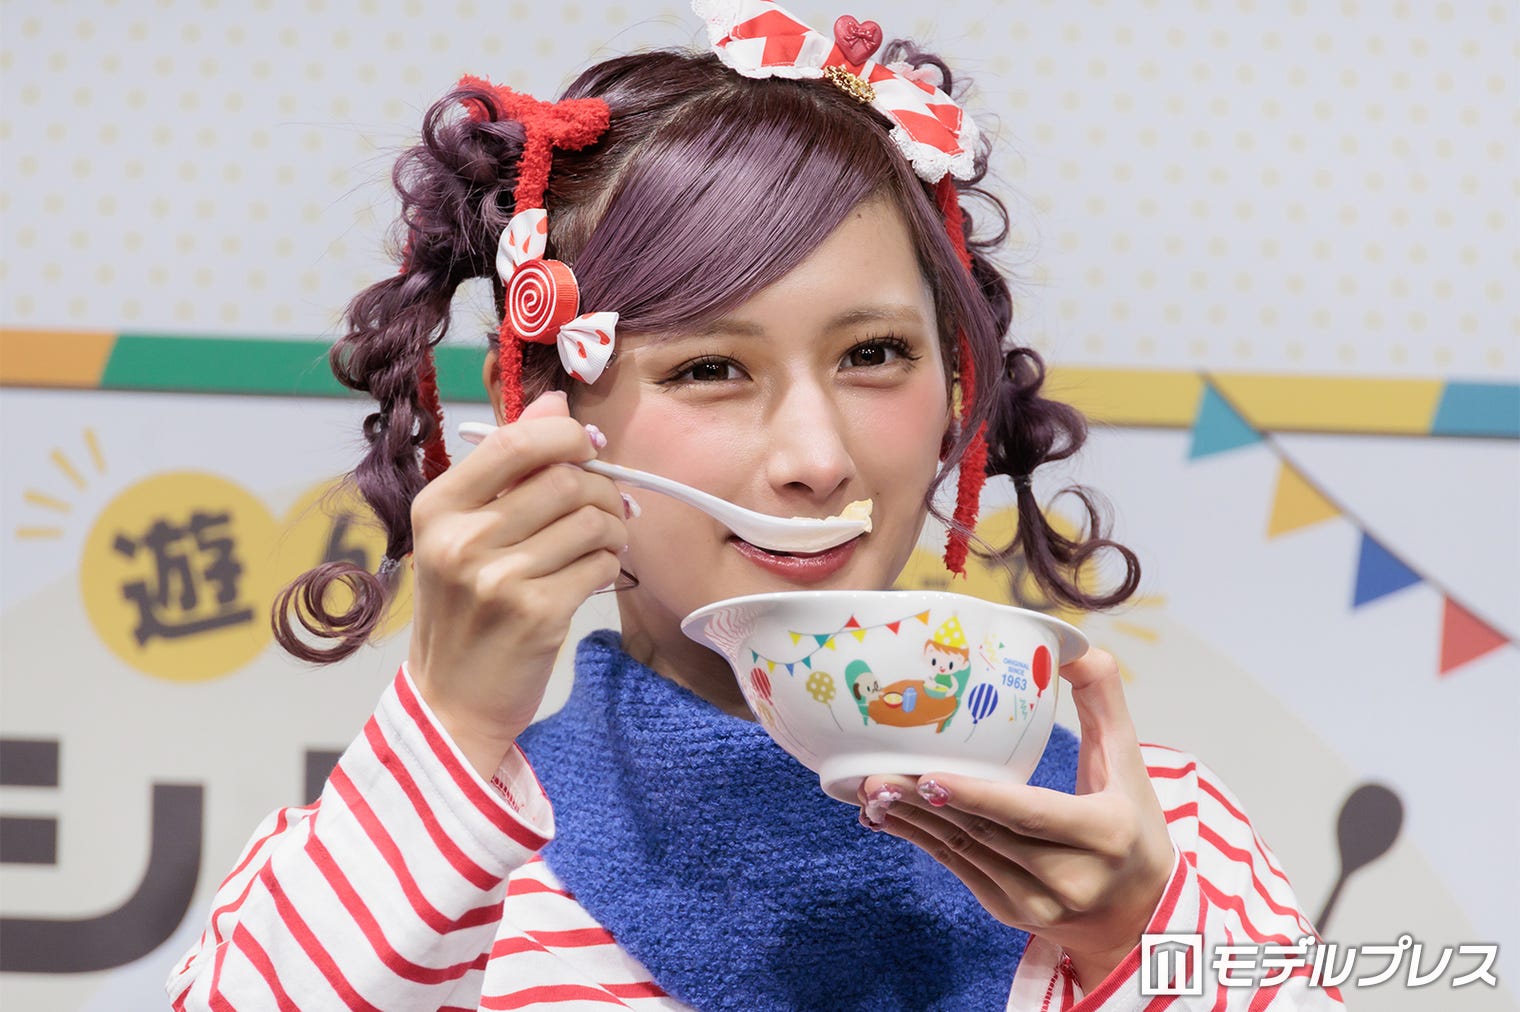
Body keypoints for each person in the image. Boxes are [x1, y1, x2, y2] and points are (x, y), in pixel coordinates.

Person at [168, 3, 1343, 1008]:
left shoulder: (1161, 835)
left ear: (955, 387)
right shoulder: (421, 866)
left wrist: (1137, 941)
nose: (815, 459)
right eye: (709, 368)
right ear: (541, 409)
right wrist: (453, 724)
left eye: (873, 353)